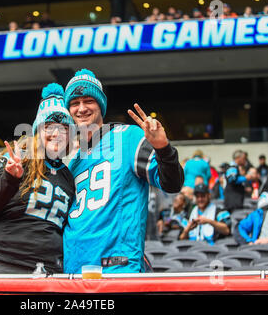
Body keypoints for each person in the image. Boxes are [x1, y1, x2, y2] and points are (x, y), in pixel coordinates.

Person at [62, 69, 184, 273]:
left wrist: (163, 148)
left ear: (101, 105)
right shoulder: (72, 159)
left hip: (116, 266)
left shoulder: (128, 138)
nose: (81, 108)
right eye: (74, 103)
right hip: (73, 268)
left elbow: (172, 183)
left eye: (88, 101)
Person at [0, 83, 75, 274]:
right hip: (0, 263)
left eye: (64, 128)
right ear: (37, 132)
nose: (56, 133)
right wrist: (9, 178)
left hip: (47, 270)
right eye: (49, 126)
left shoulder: (68, 177)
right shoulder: (15, 158)